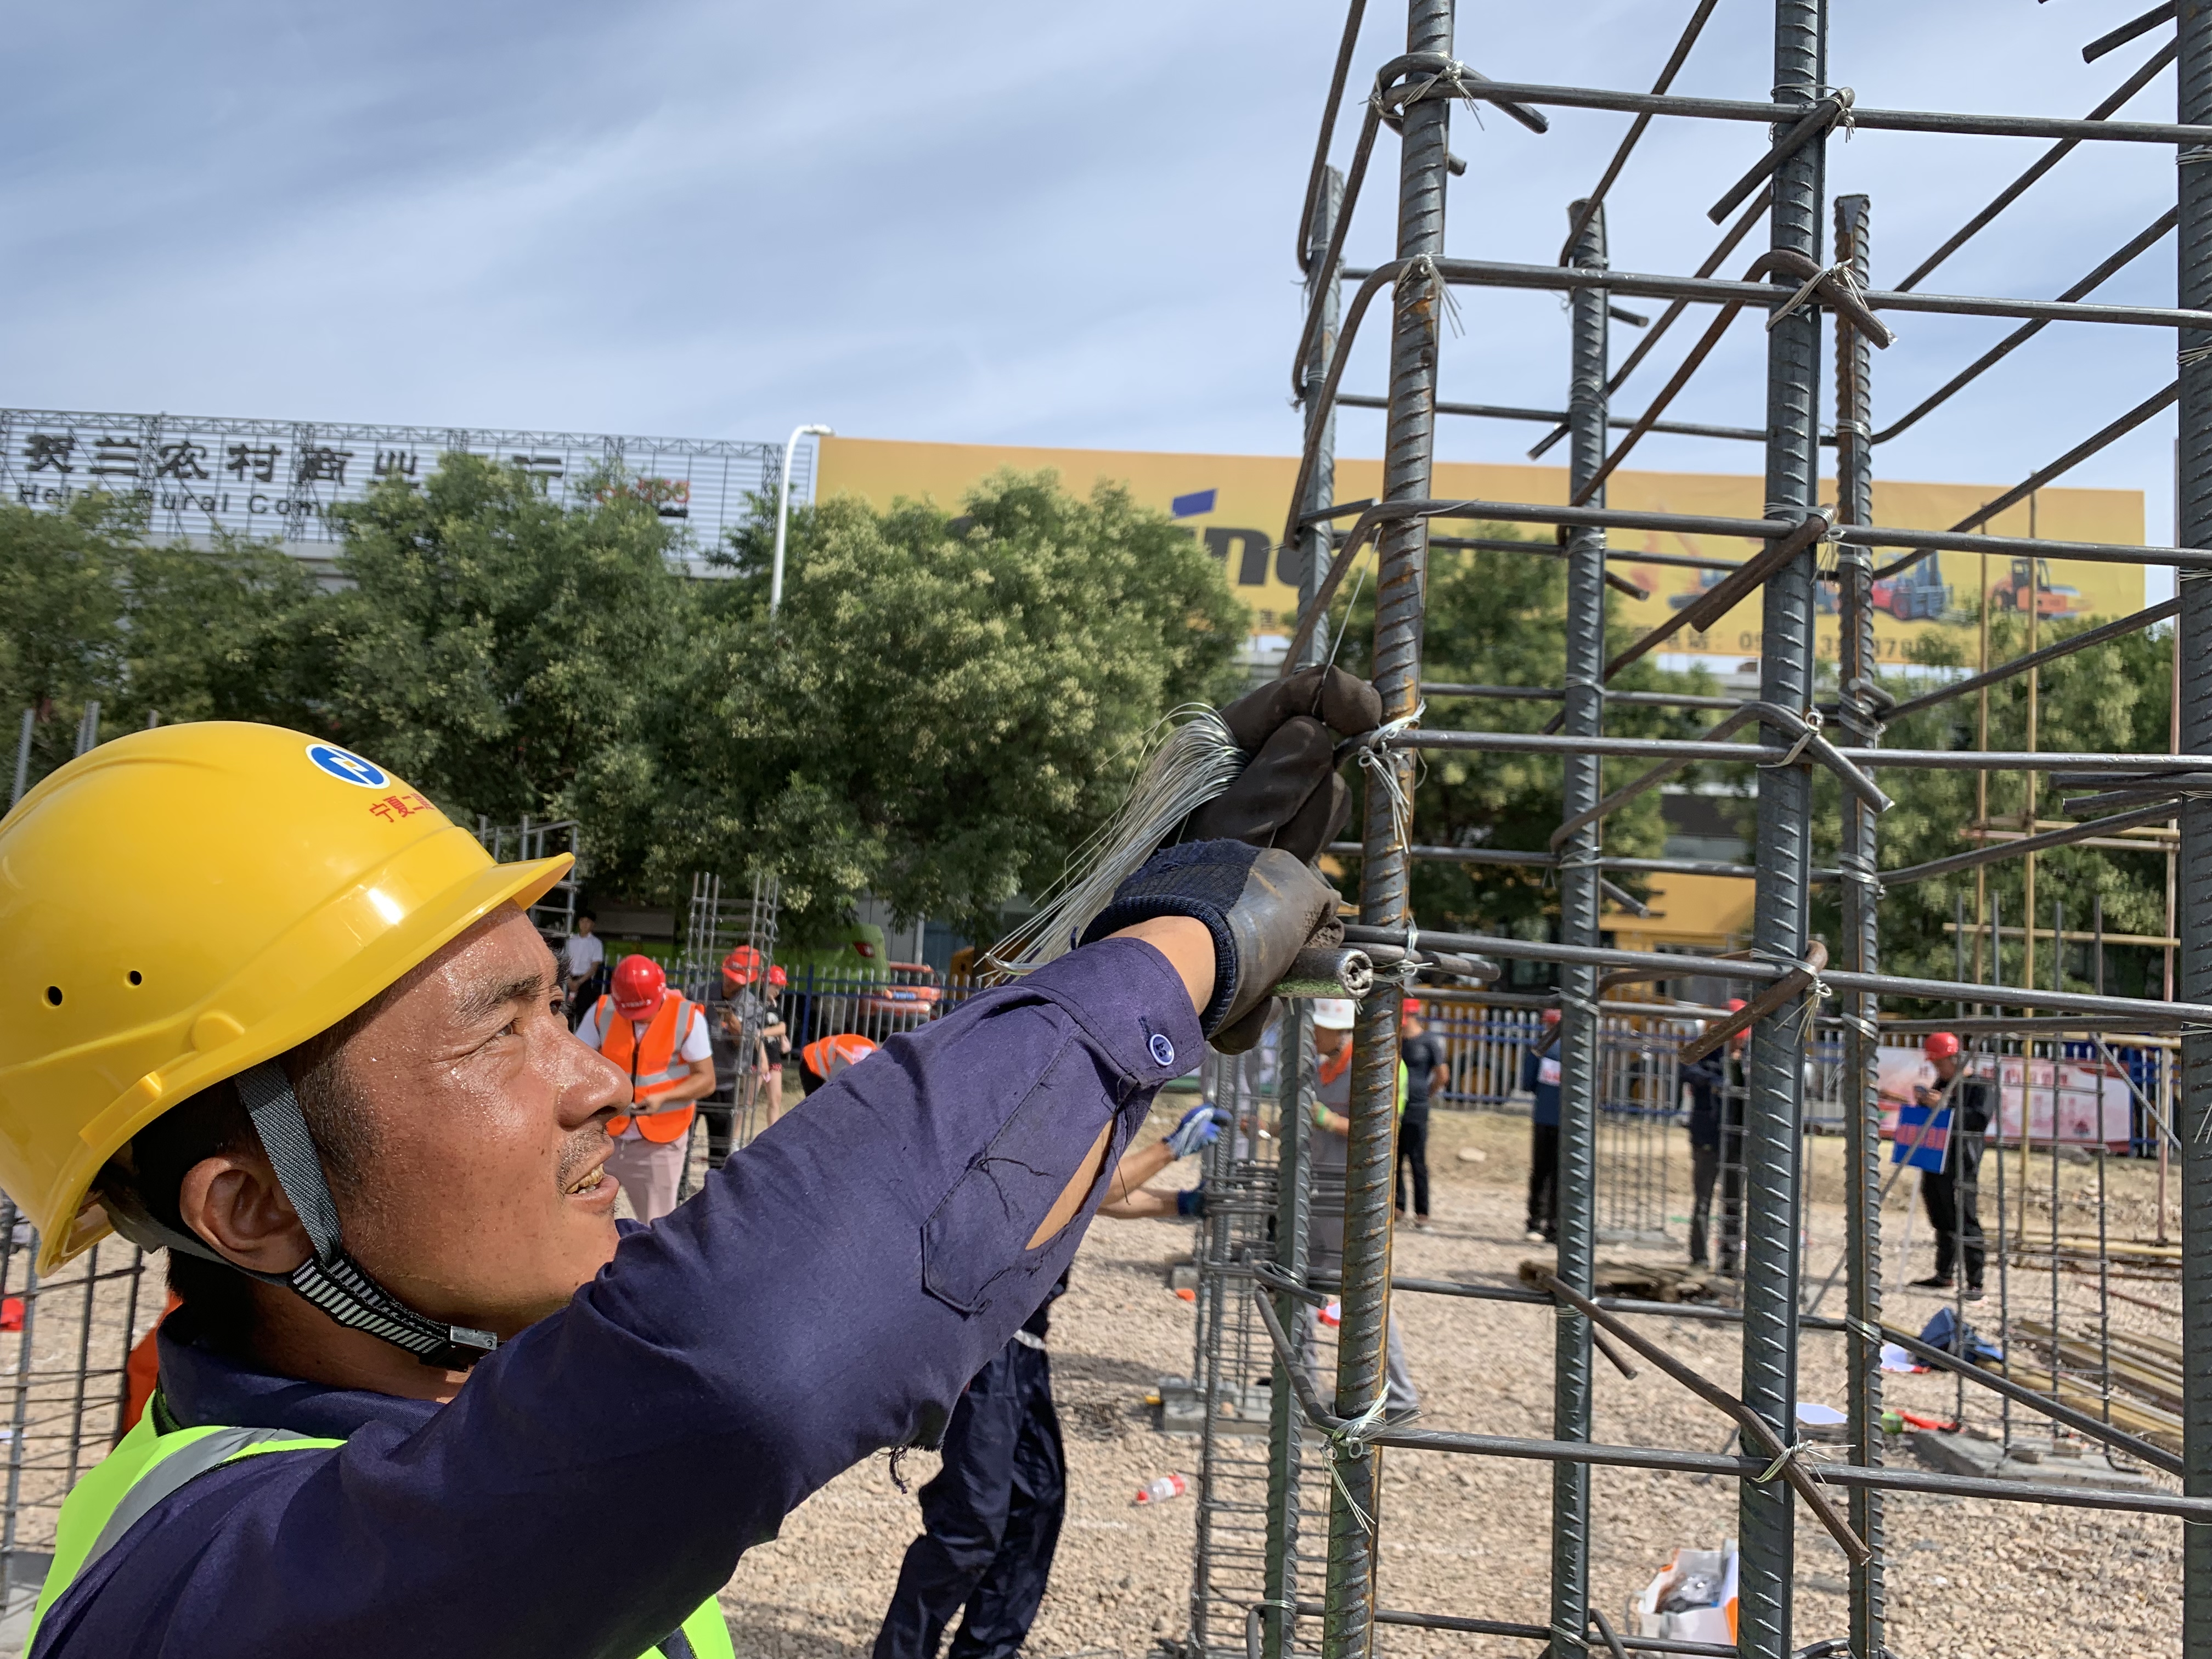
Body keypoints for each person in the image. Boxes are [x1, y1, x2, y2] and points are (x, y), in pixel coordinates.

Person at [1, 663, 1368, 1658]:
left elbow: (877, 1241)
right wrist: (1177, 948)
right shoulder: (220, 1591)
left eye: (559, 1004)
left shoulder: (455, 1414)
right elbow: (740, 1360)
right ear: (249, 1208)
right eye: (500, 1038)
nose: (597, 1078)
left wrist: (1117, 1034)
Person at [872, 1105, 1228, 1659]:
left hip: (1024, 1350)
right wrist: (1169, 1153)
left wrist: (1181, 1204)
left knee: (1037, 1506)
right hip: (985, 1341)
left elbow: (1095, 1199)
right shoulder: (1030, 1112)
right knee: (973, 1523)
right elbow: (1088, 1189)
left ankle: (988, 1651)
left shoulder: (1077, 1113)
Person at [1304, 998, 1418, 1420]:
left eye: (1319, 1027)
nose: (1312, 1034)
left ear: (1341, 1029)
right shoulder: (1320, 1069)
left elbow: (1381, 1132)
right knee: (1303, 1284)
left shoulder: (1381, 1069)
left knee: (1363, 1294)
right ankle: (1306, 1385)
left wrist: (1324, 1119)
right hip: (1320, 1192)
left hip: (1357, 1198)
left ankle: (1400, 1397)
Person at [573, 955, 717, 1224]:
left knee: (657, 1227)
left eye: (644, 1011)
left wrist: (664, 1097)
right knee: (588, 1223)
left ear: (661, 991)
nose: (639, 1018)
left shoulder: (687, 1017)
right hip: (606, 1136)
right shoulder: (602, 1011)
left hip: (660, 1142)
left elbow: (707, 1080)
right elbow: (576, 1063)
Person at [1911, 1031, 1993, 1299]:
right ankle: (1944, 1274)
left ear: (1955, 1058)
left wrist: (1945, 1105)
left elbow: (1977, 1120)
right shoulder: (1943, 1082)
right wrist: (1924, 1102)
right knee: (1941, 1218)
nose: (1938, 1069)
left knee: (1964, 1219)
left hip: (1962, 1162)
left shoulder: (1979, 1086)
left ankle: (1975, 1282)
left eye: (1940, 1063)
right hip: (1935, 1158)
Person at [717, 947, 789, 1132]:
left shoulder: (775, 1006)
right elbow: (751, 1031)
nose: (778, 991)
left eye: (780, 988)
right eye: (776, 987)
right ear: (766, 983)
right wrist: (764, 1035)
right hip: (756, 1057)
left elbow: (782, 1027)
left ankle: (772, 1137)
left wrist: (764, 1033)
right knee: (747, 1101)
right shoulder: (753, 1003)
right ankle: (734, 1138)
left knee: (776, 1099)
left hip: (774, 1057)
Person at [1679, 1021, 1730, 1269]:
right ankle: (1699, 1257)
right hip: (1707, 1135)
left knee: (1734, 1201)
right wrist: (1713, 1080)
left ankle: (1730, 1260)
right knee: (1704, 1199)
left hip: (1737, 1139)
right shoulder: (1706, 1051)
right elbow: (1686, 1069)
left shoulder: (1755, 1055)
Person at [1396, 997, 1447, 1231]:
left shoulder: (1428, 1042)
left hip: (1416, 1109)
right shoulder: (1395, 1041)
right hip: (1396, 1109)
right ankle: (1397, 1206)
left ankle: (1422, 1212)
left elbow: (1442, 1075)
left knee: (1417, 1161)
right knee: (1394, 1159)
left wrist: (1427, 1095)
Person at [1519, 1009, 1562, 1245]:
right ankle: (1557, 1227)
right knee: (1562, 1174)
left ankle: (1536, 1222)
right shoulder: (1581, 1051)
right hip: (1571, 1122)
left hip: (1544, 1118)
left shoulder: (1540, 1049)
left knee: (1541, 1172)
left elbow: (1528, 1083)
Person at [560, 911, 605, 1030]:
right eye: (582, 921)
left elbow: (594, 966)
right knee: (563, 1010)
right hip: (568, 979)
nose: (585, 924)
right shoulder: (570, 940)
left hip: (584, 980)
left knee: (583, 1012)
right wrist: (569, 980)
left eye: (588, 922)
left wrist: (578, 983)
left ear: (592, 924)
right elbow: (564, 961)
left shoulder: (596, 944)